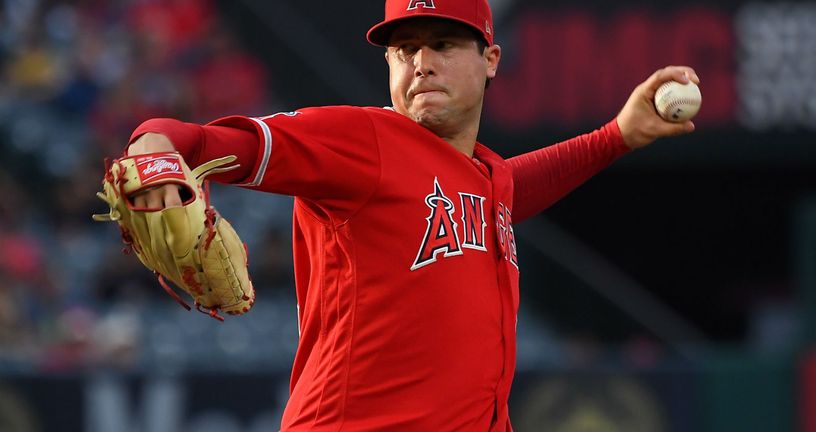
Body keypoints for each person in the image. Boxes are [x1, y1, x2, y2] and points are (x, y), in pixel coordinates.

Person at [122, 0, 698, 430]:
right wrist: (153, 145)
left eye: (443, 45)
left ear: (490, 59)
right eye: (406, 49)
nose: (421, 63)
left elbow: (511, 191)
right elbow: (214, 142)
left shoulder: (484, 175)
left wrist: (615, 136)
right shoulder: (361, 140)